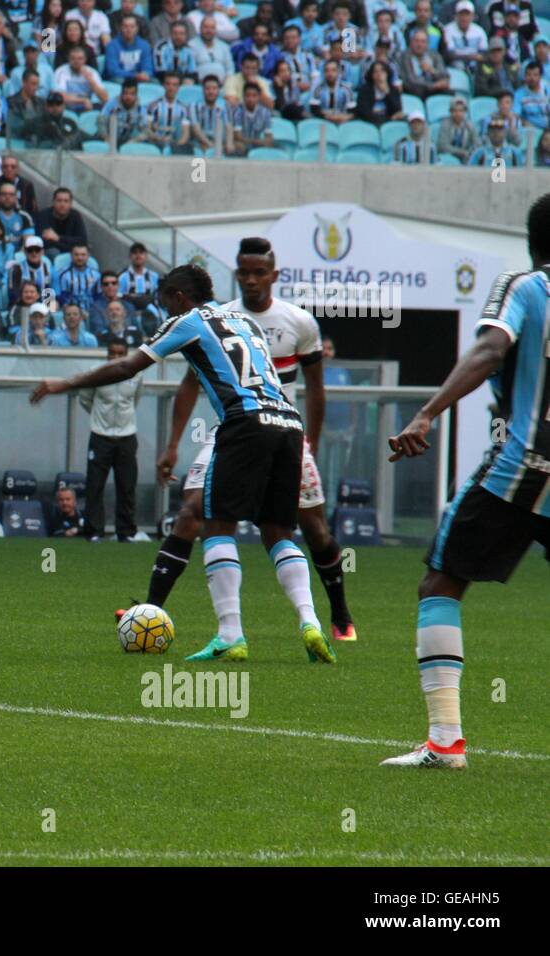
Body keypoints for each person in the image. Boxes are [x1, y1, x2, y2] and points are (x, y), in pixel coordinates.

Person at [31, 263, 337, 665]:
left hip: (244, 423)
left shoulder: (189, 321)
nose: (165, 314)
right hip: (286, 423)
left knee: (217, 525)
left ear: (178, 297)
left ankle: (230, 635)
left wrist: (66, 383)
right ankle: (311, 624)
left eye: (165, 305)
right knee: (279, 530)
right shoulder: (245, 322)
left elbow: (128, 366)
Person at [380, 193, 550, 769]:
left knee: (441, 584)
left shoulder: (525, 287)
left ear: (533, 244)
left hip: (523, 466)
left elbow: (490, 348)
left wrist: (427, 412)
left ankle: (445, 742)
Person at [151, 237, 358, 641]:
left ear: (274, 275)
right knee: (193, 510)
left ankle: (340, 616)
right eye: (243, 272)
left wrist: (309, 444)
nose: (250, 280)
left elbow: (315, 388)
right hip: (233, 427)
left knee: (311, 527)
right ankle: (150, 610)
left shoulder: (298, 322)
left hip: (283, 428)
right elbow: (191, 381)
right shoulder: (217, 315)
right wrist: (174, 443)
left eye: (259, 272)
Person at [80, 339, 142, 541]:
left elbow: (134, 400)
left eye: (120, 353)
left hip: (127, 437)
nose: (115, 357)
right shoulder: (96, 372)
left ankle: (125, 532)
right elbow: (85, 399)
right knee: (95, 486)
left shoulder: (137, 374)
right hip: (100, 437)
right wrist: (100, 420)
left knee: (126, 486)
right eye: (112, 353)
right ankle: (94, 532)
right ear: (107, 354)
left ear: (126, 354)